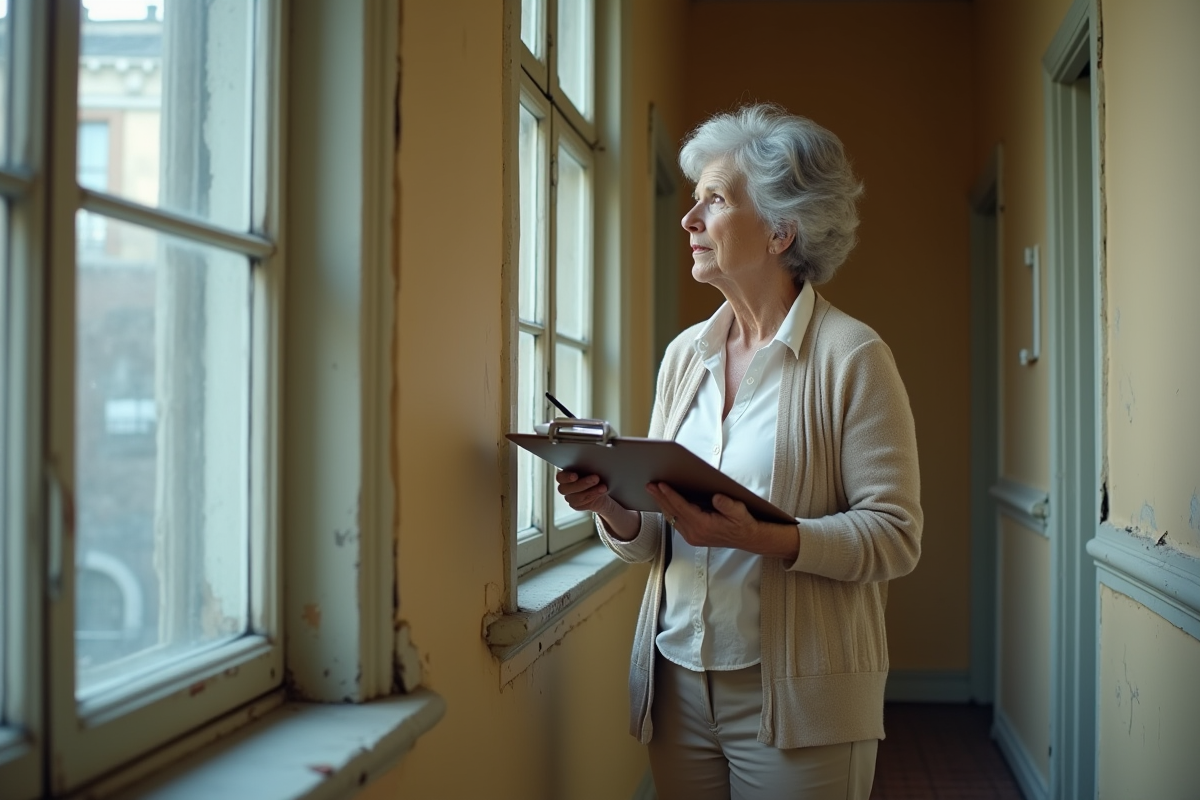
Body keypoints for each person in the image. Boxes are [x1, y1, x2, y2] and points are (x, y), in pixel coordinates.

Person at [555, 104, 922, 799]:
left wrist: (763, 538)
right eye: (694, 200)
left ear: (782, 231)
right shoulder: (684, 357)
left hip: (797, 700)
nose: (689, 220)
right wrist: (612, 507)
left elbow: (896, 537)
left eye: (715, 200)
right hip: (675, 688)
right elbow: (657, 537)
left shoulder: (853, 357)